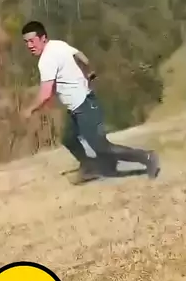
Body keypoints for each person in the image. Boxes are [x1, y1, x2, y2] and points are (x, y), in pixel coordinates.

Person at [20, 21, 160, 184]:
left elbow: (45, 94)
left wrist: (29, 110)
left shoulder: (46, 60)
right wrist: (90, 71)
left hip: (84, 106)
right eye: (26, 42)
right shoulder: (58, 45)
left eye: (32, 41)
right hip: (77, 106)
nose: (29, 46)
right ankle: (89, 167)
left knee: (101, 147)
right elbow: (80, 55)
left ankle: (146, 157)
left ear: (43, 38)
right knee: (69, 139)